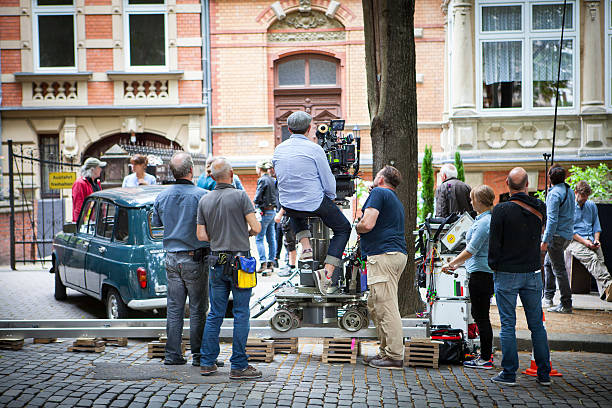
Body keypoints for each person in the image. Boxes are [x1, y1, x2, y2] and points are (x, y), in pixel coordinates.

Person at [272, 111, 352, 295]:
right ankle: (327, 272)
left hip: (289, 203)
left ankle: (306, 247)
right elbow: (328, 181)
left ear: (289, 129)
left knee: (294, 208)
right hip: (313, 202)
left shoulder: (279, 149)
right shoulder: (315, 149)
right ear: (309, 129)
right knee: (343, 228)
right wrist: (331, 197)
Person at [197, 157, 262, 379]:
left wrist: (219, 237)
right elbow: (256, 227)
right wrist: (244, 233)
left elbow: (201, 235)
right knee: (241, 313)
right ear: (232, 173)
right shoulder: (240, 196)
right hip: (241, 263)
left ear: (212, 177)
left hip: (216, 261)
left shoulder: (204, 200)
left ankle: (207, 362)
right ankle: (239, 366)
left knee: (215, 313)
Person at [488, 167, 551, 387]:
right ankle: (544, 374)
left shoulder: (501, 210)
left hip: (506, 272)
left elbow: (494, 244)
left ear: (506, 183)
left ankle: (509, 373)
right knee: (537, 326)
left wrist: (493, 266)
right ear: (527, 185)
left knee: (507, 325)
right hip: (532, 272)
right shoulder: (540, 208)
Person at [151, 152, 209, 367]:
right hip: (194, 258)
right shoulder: (202, 195)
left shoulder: (162, 196)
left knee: (174, 308)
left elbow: (156, 224)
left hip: (171, 258)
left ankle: (173, 354)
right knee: (198, 308)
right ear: (191, 170)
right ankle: (200, 355)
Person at [356, 165, 407, 370]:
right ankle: (386, 352)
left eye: (376, 176)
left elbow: (367, 224)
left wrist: (357, 225)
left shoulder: (378, 192)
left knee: (385, 306)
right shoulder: (392, 197)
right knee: (377, 305)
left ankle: (394, 355)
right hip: (393, 255)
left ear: (380, 180)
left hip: (383, 256)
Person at [442, 185, 495, 370]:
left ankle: (486, 357)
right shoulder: (484, 220)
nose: (471, 202)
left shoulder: (483, 223)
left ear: (480, 201)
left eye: (473, 199)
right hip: (481, 271)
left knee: (481, 316)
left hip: (481, 274)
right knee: (480, 315)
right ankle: (485, 355)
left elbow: (471, 250)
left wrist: (452, 263)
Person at [567, 181, 612, 302]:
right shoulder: (568, 207)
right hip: (574, 241)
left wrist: (596, 240)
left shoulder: (591, 205)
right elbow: (570, 231)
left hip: (591, 239)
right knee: (593, 258)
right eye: (582, 198)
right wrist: (585, 242)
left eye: (586, 198)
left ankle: (606, 294)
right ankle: (609, 283)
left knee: (600, 260)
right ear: (575, 193)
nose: (584, 200)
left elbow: (596, 227)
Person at [542, 165, 575, 313]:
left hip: (555, 237)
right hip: (567, 236)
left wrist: (545, 240)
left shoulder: (554, 194)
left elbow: (552, 220)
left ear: (550, 178)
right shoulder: (570, 191)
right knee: (548, 263)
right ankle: (548, 297)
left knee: (559, 270)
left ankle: (566, 304)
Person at [254, 160, 277, 274]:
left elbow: (257, 197)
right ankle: (271, 263)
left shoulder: (262, 180)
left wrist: (255, 204)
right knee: (271, 238)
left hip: (264, 212)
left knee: (259, 238)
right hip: (273, 211)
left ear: (259, 169)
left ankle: (263, 263)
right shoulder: (273, 180)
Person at [72, 157, 106, 221]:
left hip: (97, 221)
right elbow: (78, 207)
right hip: (87, 223)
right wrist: (80, 225)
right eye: (99, 167)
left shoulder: (96, 183)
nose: (101, 170)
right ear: (92, 169)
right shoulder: (80, 183)